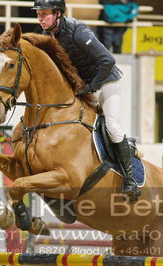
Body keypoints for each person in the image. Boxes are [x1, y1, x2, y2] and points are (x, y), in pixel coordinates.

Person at [32, 0, 140, 201]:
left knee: (112, 126)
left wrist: (92, 87)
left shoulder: (77, 30)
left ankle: (130, 180)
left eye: (44, 13)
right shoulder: (47, 36)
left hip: (105, 82)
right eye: (38, 14)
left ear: (58, 13)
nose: (40, 18)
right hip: (82, 88)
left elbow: (108, 61)